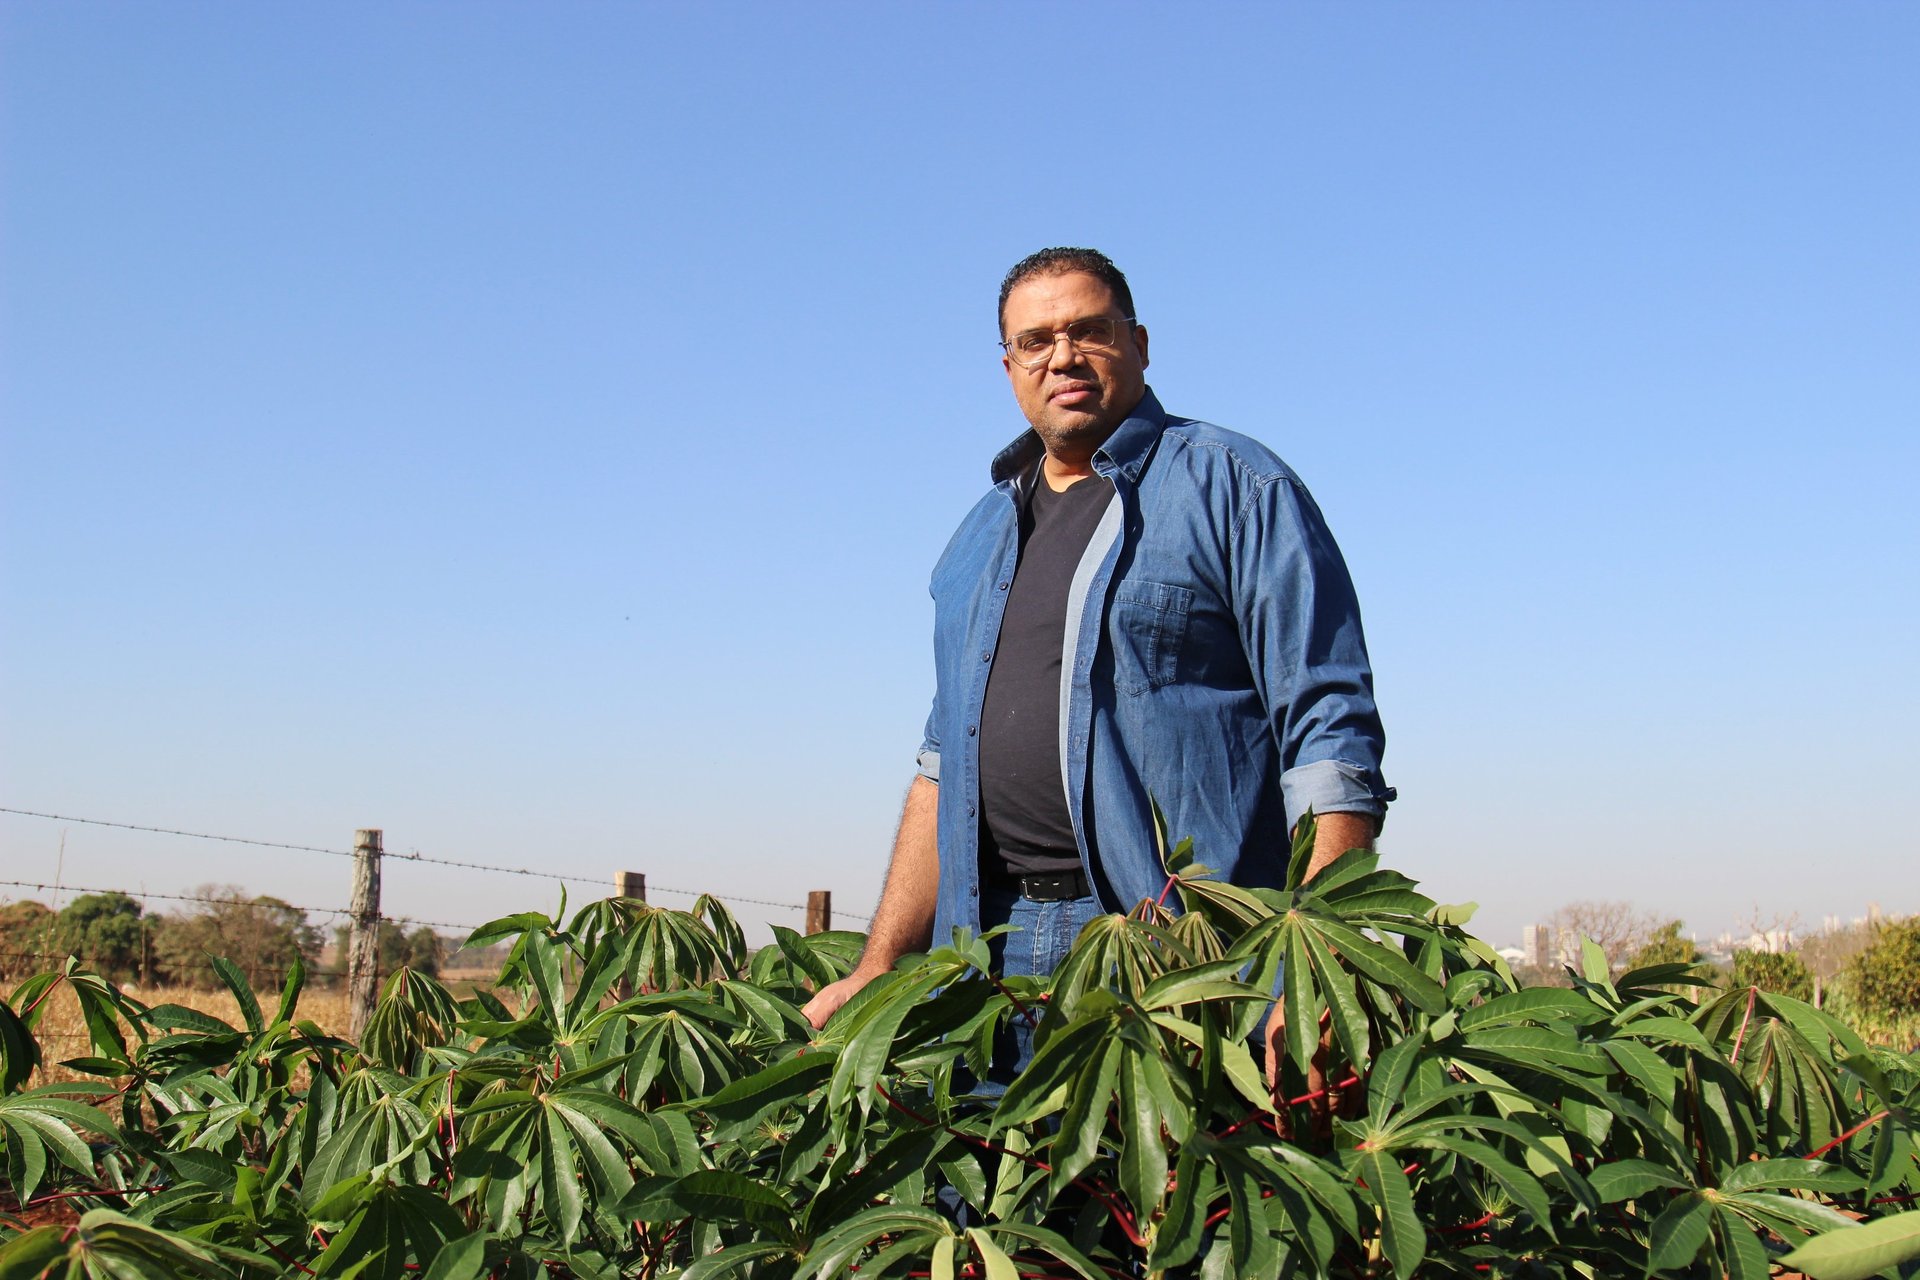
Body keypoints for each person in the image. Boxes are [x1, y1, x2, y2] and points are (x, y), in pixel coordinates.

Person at [801, 248, 1392, 1090]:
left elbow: (1327, 732)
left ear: (1140, 344)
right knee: (994, 1208)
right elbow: (941, 769)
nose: (1063, 356)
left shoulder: (1236, 486)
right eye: (1035, 340)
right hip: (984, 954)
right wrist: (881, 962)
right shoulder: (978, 535)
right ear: (1009, 367)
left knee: (1157, 1210)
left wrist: (1321, 958)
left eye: (1089, 330)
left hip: (1173, 948)